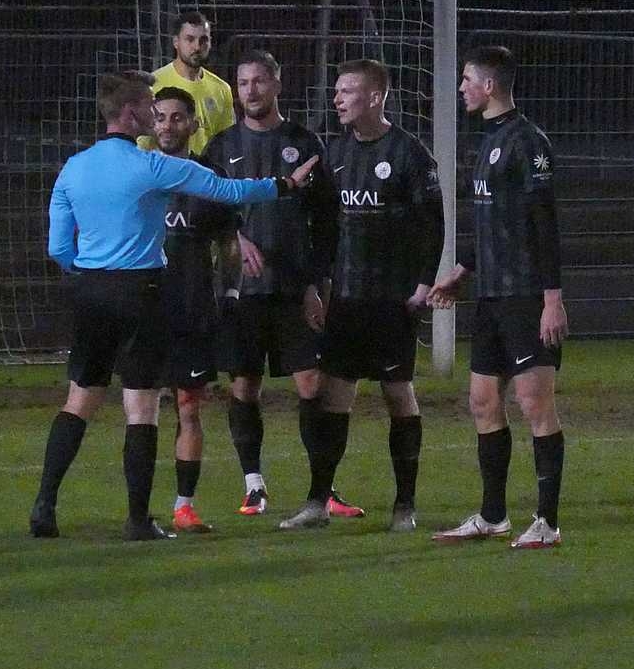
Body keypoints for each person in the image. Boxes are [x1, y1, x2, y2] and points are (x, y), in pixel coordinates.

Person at [33, 70, 317, 541]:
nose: (155, 115)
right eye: (149, 107)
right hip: (140, 291)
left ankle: (44, 506)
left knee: (79, 400)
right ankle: (138, 520)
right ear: (130, 114)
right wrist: (284, 185)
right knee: (141, 407)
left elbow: (59, 248)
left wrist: (91, 272)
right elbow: (229, 191)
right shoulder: (151, 167)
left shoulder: (73, 168)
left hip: (90, 291)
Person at [277, 60, 443, 533]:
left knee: (397, 394)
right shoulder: (336, 153)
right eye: (336, 91)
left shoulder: (409, 153)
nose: (337, 99)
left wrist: (423, 283)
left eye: (346, 91)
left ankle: (405, 507)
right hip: (347, 298)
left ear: (375, 97)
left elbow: (433, 224)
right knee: (333, 397)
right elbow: (325, 228)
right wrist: (316, 284)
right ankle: (318, 502)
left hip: (392, 300)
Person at [203, 50, 363, 520]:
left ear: (276, 83)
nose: (250, 91)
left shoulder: (303, 142)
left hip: (294, 287)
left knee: (312, 384)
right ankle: (253, 484)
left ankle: (323, 489)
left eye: (258, 81)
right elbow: (206, 211)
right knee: (244, 385)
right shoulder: (221, 147)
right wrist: (235, 238)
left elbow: (327, 220)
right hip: (241, 290)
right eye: (242, 83)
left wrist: (318, 282)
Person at [429, 45, 569, 550]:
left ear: (489, 86)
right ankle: (493, 516)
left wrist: (552, 299)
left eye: (467, 79)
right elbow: (490, 221)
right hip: (489, 295)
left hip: (525, 295)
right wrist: (462, 271)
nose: (461, 87)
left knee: (534, 403)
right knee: (482, 401)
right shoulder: (486, 141)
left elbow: (543, 224)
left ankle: (547, 523)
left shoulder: (529, 142)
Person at [152, 86, 245, 533]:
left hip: (192, 309)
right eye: (160, 117)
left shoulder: (210, 178)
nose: (167, 125)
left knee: (188, 406)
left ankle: (183, 506)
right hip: (146, 310)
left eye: (176, 117)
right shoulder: (141, 173)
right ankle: (138, 507)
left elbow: (229, 243)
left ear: (192, 124)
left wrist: (231, 294)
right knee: (141, 408)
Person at [139, 11, 236, 156]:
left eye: (203, 40)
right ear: (176, 42)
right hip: (164, 168)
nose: (197, 47)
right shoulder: (153, 84)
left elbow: (227, 142)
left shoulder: (221, 89)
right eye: (190, 39)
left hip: (204, 169)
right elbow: (143, 142)